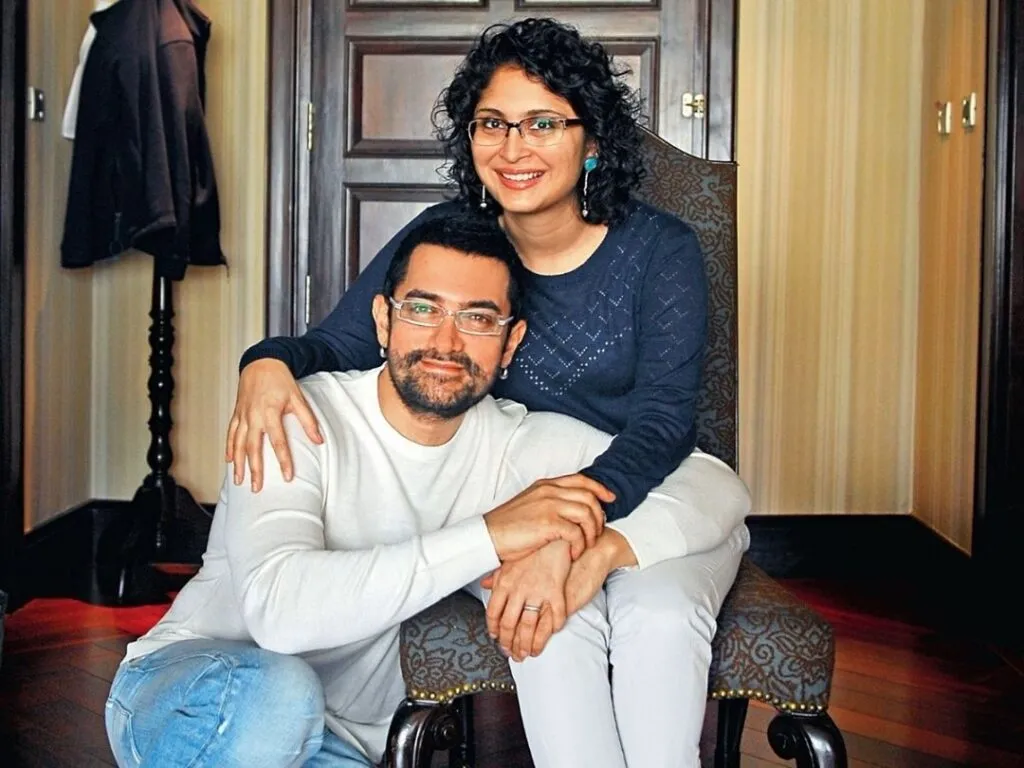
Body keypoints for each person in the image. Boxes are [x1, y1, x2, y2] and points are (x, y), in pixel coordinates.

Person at [226, 18, 750, 766]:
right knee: (542, 616)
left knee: (660, 617)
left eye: (543, 123)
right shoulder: (452, 239)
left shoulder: (660, 250)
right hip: (513, 508)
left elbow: (665, 424)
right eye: (492, 123)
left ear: (592, 140)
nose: (513, 148)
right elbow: (344, 343)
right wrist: (265, 363)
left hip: (660, 495)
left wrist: (575, 536)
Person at [104, 215, 749, 767]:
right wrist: (492, 535)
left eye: (478, 318)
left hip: (340, 741)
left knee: (298, 709)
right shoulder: (298, 418)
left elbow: (711, 482)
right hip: (193, 691)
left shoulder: (514, 442)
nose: (446, 341)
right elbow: (279, 613)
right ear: (383, 321)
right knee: (281, 694)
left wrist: (602, 549)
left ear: (510, 343)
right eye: (422, 309)